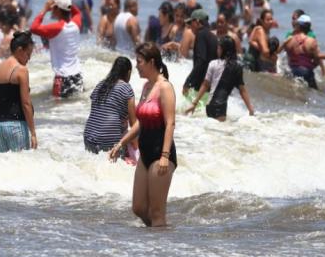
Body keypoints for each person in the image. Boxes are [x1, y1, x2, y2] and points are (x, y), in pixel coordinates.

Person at [109, 43, 176, 227]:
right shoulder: (147, 86)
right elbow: (140, 122)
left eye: (139, 61)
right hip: (145, 152)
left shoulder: (165, 87)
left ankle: (160, 249)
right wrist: (121, 143)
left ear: (151, 62)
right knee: (138, 207)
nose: (136, 65)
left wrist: (165, 156)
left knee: (157, 212)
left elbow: (170, 123)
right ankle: (155, 236)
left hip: (160, 152)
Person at [186, 36, 254, 121]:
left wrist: (194, 103)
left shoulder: (213, 64)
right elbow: (242, 90)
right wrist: (250, 109)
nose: (217, 50)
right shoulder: (237, 67)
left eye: (218, 48)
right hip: (220, 107)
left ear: (222, 50)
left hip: (209, 106)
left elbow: (205, 85)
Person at [29, 0, 84, 98]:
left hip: (62, 78)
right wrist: (67, 4)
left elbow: (34, 28)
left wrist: (45, 9)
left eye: (54, 8)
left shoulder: (56, 28)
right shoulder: (76, 24)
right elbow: (78, 12)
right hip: (77, 76)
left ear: (58, 10)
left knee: (57, 109)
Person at [0, 31, 36, 152]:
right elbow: (26, 103)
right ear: (20, 50)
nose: (29, 58)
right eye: (28, 54)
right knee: (22, 167)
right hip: (16, 126)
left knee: (3, 166)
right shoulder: (21, 70)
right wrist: (33, 133)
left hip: (0, 125)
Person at [83, 56, 137, 155]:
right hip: (109, 140)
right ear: (128, 73)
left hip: (89, 136)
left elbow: (97, 112)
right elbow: (134, 124)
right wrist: (137, 148)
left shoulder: (100, 85)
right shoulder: (126, 88)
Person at [182, 9, 218, 96]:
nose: (190, 27)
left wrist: (188, 82)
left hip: (199, 87)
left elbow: (201, 60)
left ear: (197, 22)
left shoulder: (200, 35)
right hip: (210, 86)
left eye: (191, 23)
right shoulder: (213, 37)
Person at [282, 14, 320, 89]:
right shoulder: (312, 41)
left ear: (298, 26)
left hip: (293, 71)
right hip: (307, 72)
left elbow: (284, 55)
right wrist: (310, 67)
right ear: (309, 27)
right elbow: (317, 60)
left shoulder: (290, 39)